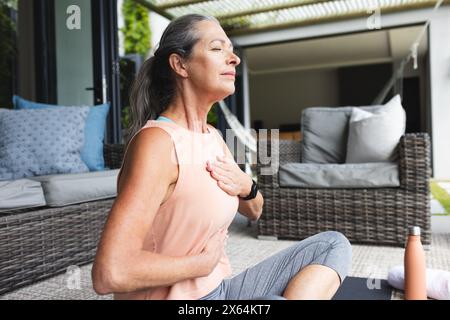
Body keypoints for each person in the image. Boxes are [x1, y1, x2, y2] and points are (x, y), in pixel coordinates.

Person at [92, 13, 352, 300]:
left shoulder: (213, 138)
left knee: (333, 245)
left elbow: (254, 211)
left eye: (231, 50)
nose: (234, 59)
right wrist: (199, 265)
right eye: (218, 48)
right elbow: (110, 273)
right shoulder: (157, 144)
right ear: (180, 64)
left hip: (220, 290)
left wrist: (247, 186)